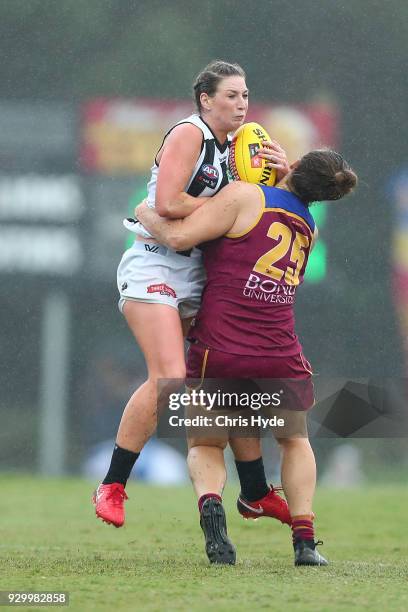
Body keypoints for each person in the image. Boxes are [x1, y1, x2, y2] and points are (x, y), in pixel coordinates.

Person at [92, 60, 290, 531]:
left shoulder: (241, 146)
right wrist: (232, 207)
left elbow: (265, 208)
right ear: (205, 99)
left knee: (226, 378)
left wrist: (285, 177)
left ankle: (256, 489)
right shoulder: (190, 133)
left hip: (201, 270)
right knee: (170, 376)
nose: (241, 103)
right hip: (156, 262)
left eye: (245, 95)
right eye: (230, 95)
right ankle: (113, 483)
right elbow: (166, 204)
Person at [136, 148, 358, 565]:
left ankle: (213, 514)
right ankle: (305, 542)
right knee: (294, 441)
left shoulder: (242, 195)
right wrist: (284, 176)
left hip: (220, 349)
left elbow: (180, 236)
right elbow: (274, 210)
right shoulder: (309, 225)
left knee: (206, 443)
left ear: (294, 168)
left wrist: (144, 213)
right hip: (278, 353)